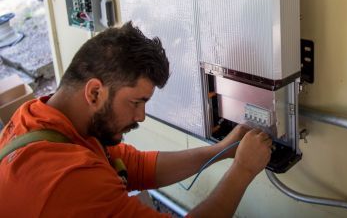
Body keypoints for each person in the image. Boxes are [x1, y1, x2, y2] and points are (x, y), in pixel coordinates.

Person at [0, 22, 272, 218]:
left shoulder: (43, 118)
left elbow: (135, 167)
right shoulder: (67, 181)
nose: (141, 116)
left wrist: (222, 150)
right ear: (95, 92)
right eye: (136, 102)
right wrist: (243, 171)